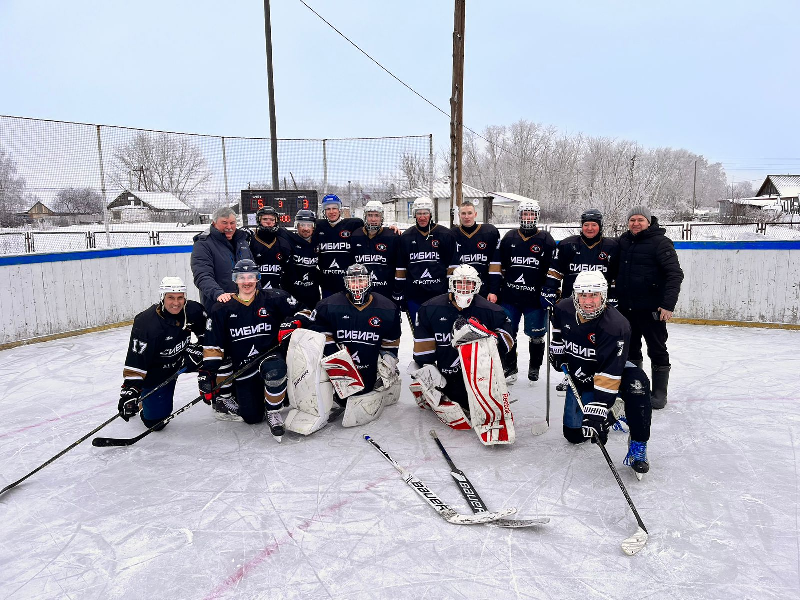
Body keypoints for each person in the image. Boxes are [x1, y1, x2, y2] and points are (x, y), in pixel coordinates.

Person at [549, 270, 653, 475]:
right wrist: (557, 347)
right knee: (574, 436)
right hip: (581, 374)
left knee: (637, 384)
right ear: (575, 295)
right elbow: (558, 326)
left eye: (594, 295)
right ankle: (615, 412)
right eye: (583, 295)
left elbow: (610, 372)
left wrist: (599, 407)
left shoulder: (616, 325)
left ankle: (638, 445)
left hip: (612, 372)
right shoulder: (563, 308)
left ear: (604, 296)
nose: (588, 301)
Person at [199, 259, 308, 439]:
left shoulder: (275, 297)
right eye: (242, 277)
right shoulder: (221, 308)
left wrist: (294, 322)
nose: (247, 281)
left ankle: (273, 411)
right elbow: (214, 344)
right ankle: (252, 398)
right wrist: (207, 374)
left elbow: (305, 311)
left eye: (251, 277)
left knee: (275, 371)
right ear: (235, 279)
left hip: (269, 357)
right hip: (243, 367)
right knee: (252, 417)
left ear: (257, 278)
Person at [411, 264, 515, 442]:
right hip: (447, 375)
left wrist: (489, 339)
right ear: (452, 284)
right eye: (460, 283)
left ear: (477, 286)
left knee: (474, 406)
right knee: (458, 403)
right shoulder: (430, 308)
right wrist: (429, 370)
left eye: (469, 284)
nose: (464, 288)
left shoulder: (491, 310)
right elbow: (423, 350)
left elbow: (508, 341)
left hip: (479, 376)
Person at [301, 263, 402, 426]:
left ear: (369, 281)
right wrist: (334, 356)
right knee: (341, 397)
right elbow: (319, 333)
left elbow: (391, 340)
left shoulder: (387, 307)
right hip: (339, 366)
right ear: (346, 283)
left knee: (363, 393)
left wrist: (388, 360)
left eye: (361, 281)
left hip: (368, 365)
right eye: (353, 281)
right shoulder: (328, 305)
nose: (357, 286)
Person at [543, 208, 620, 393]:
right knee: (573, 342)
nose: (590, 228)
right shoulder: (568, 245)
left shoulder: (611, 246)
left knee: (595, 342)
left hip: (599, 304)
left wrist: (615, 296)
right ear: (581, 226)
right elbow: (555, 271)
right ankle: (570, 376)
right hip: (573, 304)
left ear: (600, 226)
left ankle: (597, 376)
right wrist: (549, 290)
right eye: (586, 225)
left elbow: (616, 274)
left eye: (594, 225)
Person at [615, 206, 684, 409]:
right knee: (631, 350)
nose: (636, 223)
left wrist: (667, 305)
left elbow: (675, 274)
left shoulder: (661, 243)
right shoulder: (624, 241)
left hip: (652, 309)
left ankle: (659, 393)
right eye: (632, 220)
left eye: (640, 220)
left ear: (648, 221)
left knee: (657, 349)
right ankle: (634, 386)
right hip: (626, 309)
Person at [118, 277, 206, 430]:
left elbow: (211, 337)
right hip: (157, 371)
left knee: (221, 356)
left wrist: (199, 350)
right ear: (162, 297)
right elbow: (136, 360)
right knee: (156, 423)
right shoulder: (146, 323)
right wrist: (130, 391)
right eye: (170, 297)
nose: (176, 303)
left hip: (182, 360)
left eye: (180, 297)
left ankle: (223, 397)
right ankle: (142, 402)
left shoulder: (193, 310)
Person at [498, 199, 556, 383]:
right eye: (525, 214)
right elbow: (501, 266)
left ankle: (534, 367)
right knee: (507, 333)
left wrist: (550, 290)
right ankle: (510, 366)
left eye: (531, 214)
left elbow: (553, 268)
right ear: (520, 215)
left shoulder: (546, 239)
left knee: (537, 335)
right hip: (510, 297)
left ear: (537, 216)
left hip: (535, 299)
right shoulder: (509, 237)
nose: (528, 217)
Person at [394, 197, 456, 324]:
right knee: (419, 334)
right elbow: (401, 268)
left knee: (440, 332)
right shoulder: (406, 237)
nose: (422, 217)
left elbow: (452, 266)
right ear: (414, 215)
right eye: (419, 213)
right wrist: (400, 292)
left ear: (430, 214)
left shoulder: (445, 234)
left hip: (440, 295)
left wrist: (452, 291)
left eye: (425, 213)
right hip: (415, 296)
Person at [191, 206, 253, 311]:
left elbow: (253, 271)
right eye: (224, 223)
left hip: (247, 304)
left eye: (232, 223)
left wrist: (259, 295)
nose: (229, 227)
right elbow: (202, 275)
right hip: (220, 306)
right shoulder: (203, 244)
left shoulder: (242, 241)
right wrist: (219, 294)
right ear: (214, 223)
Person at [449, 200, 501, 302]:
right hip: (461, 289)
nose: (466, 217)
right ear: (459, 215)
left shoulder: (489, 232)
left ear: (475, 214)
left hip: (484, 289)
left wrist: (493, 290)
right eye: (463, 213)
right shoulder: (452, 235)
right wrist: (451, 290)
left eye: (469, 213)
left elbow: (495, 264)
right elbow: (450, 266)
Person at [315, 194, 364, 299]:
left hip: (348, 282)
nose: (331, 212)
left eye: (334, 208)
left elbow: (372, 230)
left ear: (339, 209)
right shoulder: (318, 226)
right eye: (328, 209)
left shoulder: (352, 225)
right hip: (327, 283)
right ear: (324, 211)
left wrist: (390, 229)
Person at [350, 200, 400, 300]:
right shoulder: (355, 235)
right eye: (370, 215)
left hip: (386, 292)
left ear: (382, 217)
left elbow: (399, 266)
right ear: (365, 217)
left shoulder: (392, 236)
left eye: (376, 215)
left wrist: (398, 289)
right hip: (362, 292)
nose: (373, 219)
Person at [283, 209, 321, 310]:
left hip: (312, 295)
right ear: (296, 226)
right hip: (292, 295)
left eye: (309, 225)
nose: (306, 228)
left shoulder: (317, 242)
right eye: (302, 225)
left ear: (314, 227)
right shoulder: (288, 239)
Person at [249, 205, 292, 291]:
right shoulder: (250, 241)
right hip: (254, 292)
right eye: (265, 219)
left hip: (277, 292)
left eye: (272, 220)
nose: (268, 222)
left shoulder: (283, 242)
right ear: (259, 220)